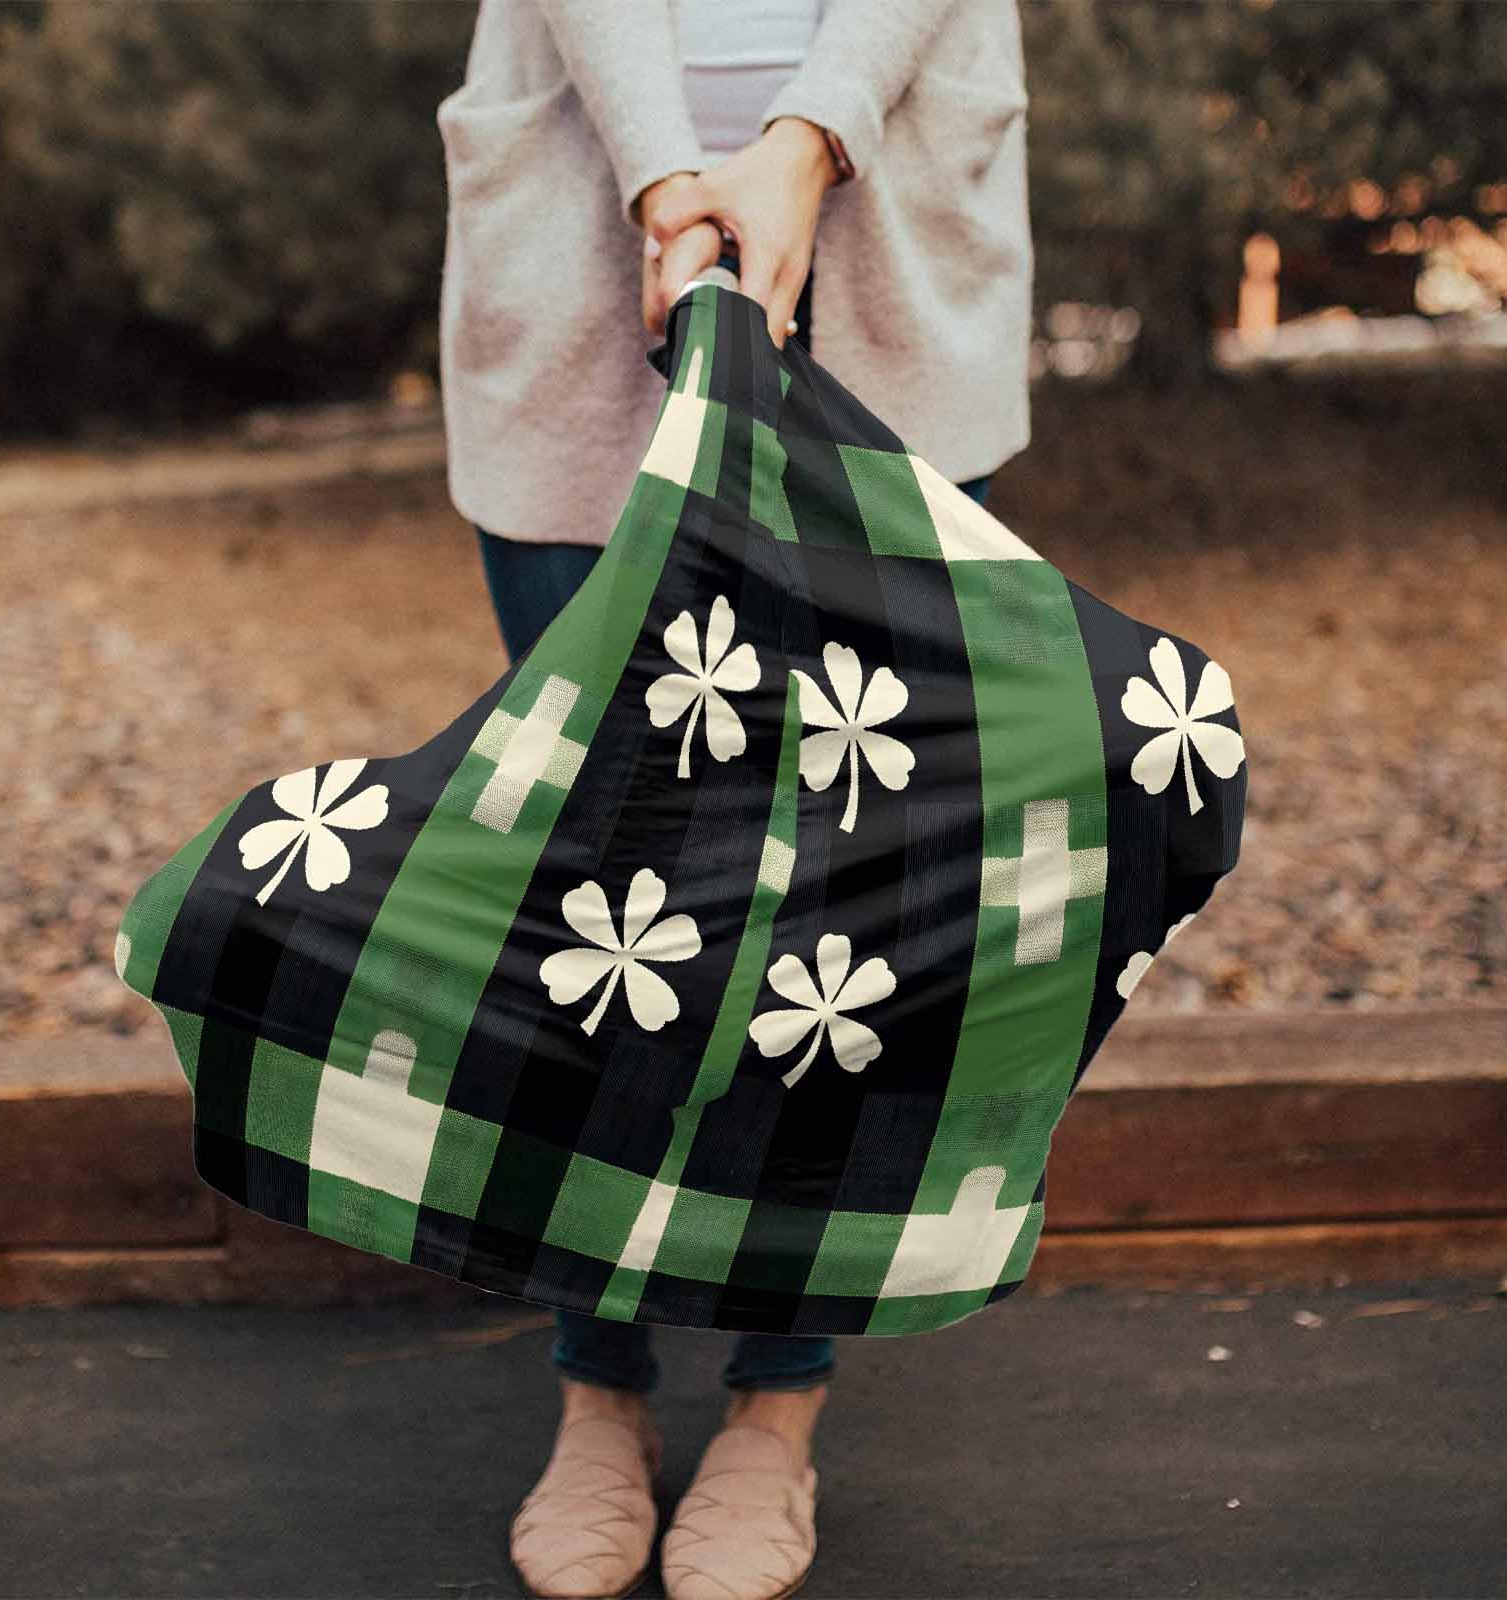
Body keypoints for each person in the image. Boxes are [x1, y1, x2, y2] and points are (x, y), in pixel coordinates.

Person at [435, 4, 1032, 1596]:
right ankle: (599, 1386)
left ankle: (779, 1405)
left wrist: (807, 137)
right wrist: (662, 177)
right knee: (600, 879)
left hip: (890, 227)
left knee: (846, 892)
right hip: (585, 227)